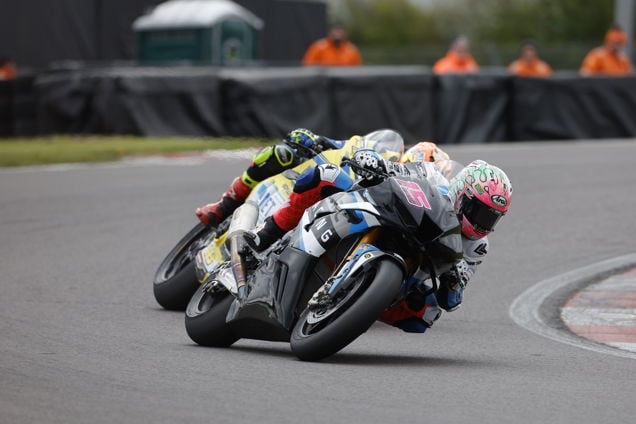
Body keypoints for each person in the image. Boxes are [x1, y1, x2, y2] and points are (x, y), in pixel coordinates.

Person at [244, 143, 512, 334]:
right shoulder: (434, 178)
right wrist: (375, 162)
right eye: (479, 212)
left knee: (424, 317)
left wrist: (454, 281)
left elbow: (451, 301)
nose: (482, 224)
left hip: (414, 269)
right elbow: (397, 170)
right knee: (324, 175)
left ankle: (358, 305)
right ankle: (266, 234)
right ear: (462, 194)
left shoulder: (478, 248)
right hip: (384, 216)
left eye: (492, 219)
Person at [195, 129, 346, 228]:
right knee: (281, 154)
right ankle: (223, 207)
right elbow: (349, 145)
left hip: (347, 201)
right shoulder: (361, 143)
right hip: (330, 173)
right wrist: (322, 140)